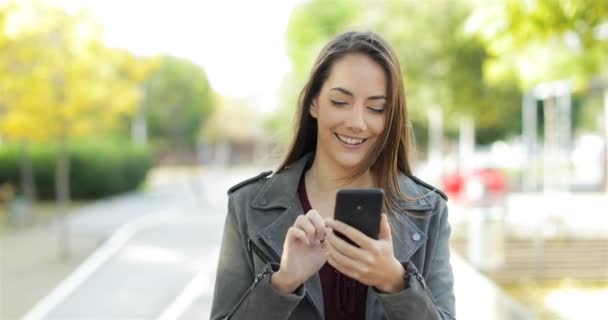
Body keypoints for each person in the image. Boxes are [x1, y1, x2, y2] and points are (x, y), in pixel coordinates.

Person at [210, 31, 455, 320]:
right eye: (340, 102)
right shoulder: (248, 206)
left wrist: (395, 283)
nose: (356, 122)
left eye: (376, 108)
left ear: (391, 117)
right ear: (314, 102)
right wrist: (282, 283)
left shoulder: (428, 210)